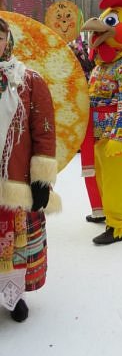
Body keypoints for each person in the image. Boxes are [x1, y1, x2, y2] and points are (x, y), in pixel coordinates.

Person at [0, 17, 60, 322]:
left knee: (16, 242)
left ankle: (15, 296)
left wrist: (41, 180)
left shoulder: (30, 81)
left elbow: (44, 131)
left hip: (16, 179)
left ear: (7, 41)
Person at [81, 0, 122, 244]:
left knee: (117, 180)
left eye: (109, 22)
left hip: (115, 135)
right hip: (97, 132)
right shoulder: (101, 66)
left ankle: (118, 226)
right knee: (101, 177)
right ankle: (105, 213)